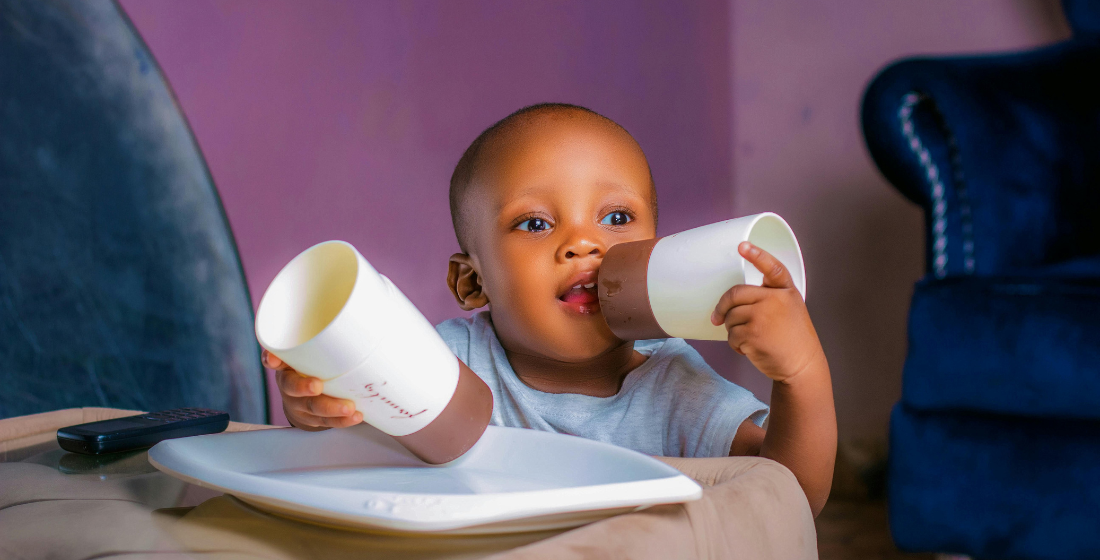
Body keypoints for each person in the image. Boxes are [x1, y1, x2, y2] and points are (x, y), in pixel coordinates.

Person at [264, 103, 837, 515]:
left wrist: (801, 374)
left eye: (616, 218)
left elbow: (789, 494)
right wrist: (320, 407)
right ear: (472, 283)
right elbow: (358, 443)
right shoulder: (445, 363)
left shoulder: (675, 385)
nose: (583, 243)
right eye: (536, 223)